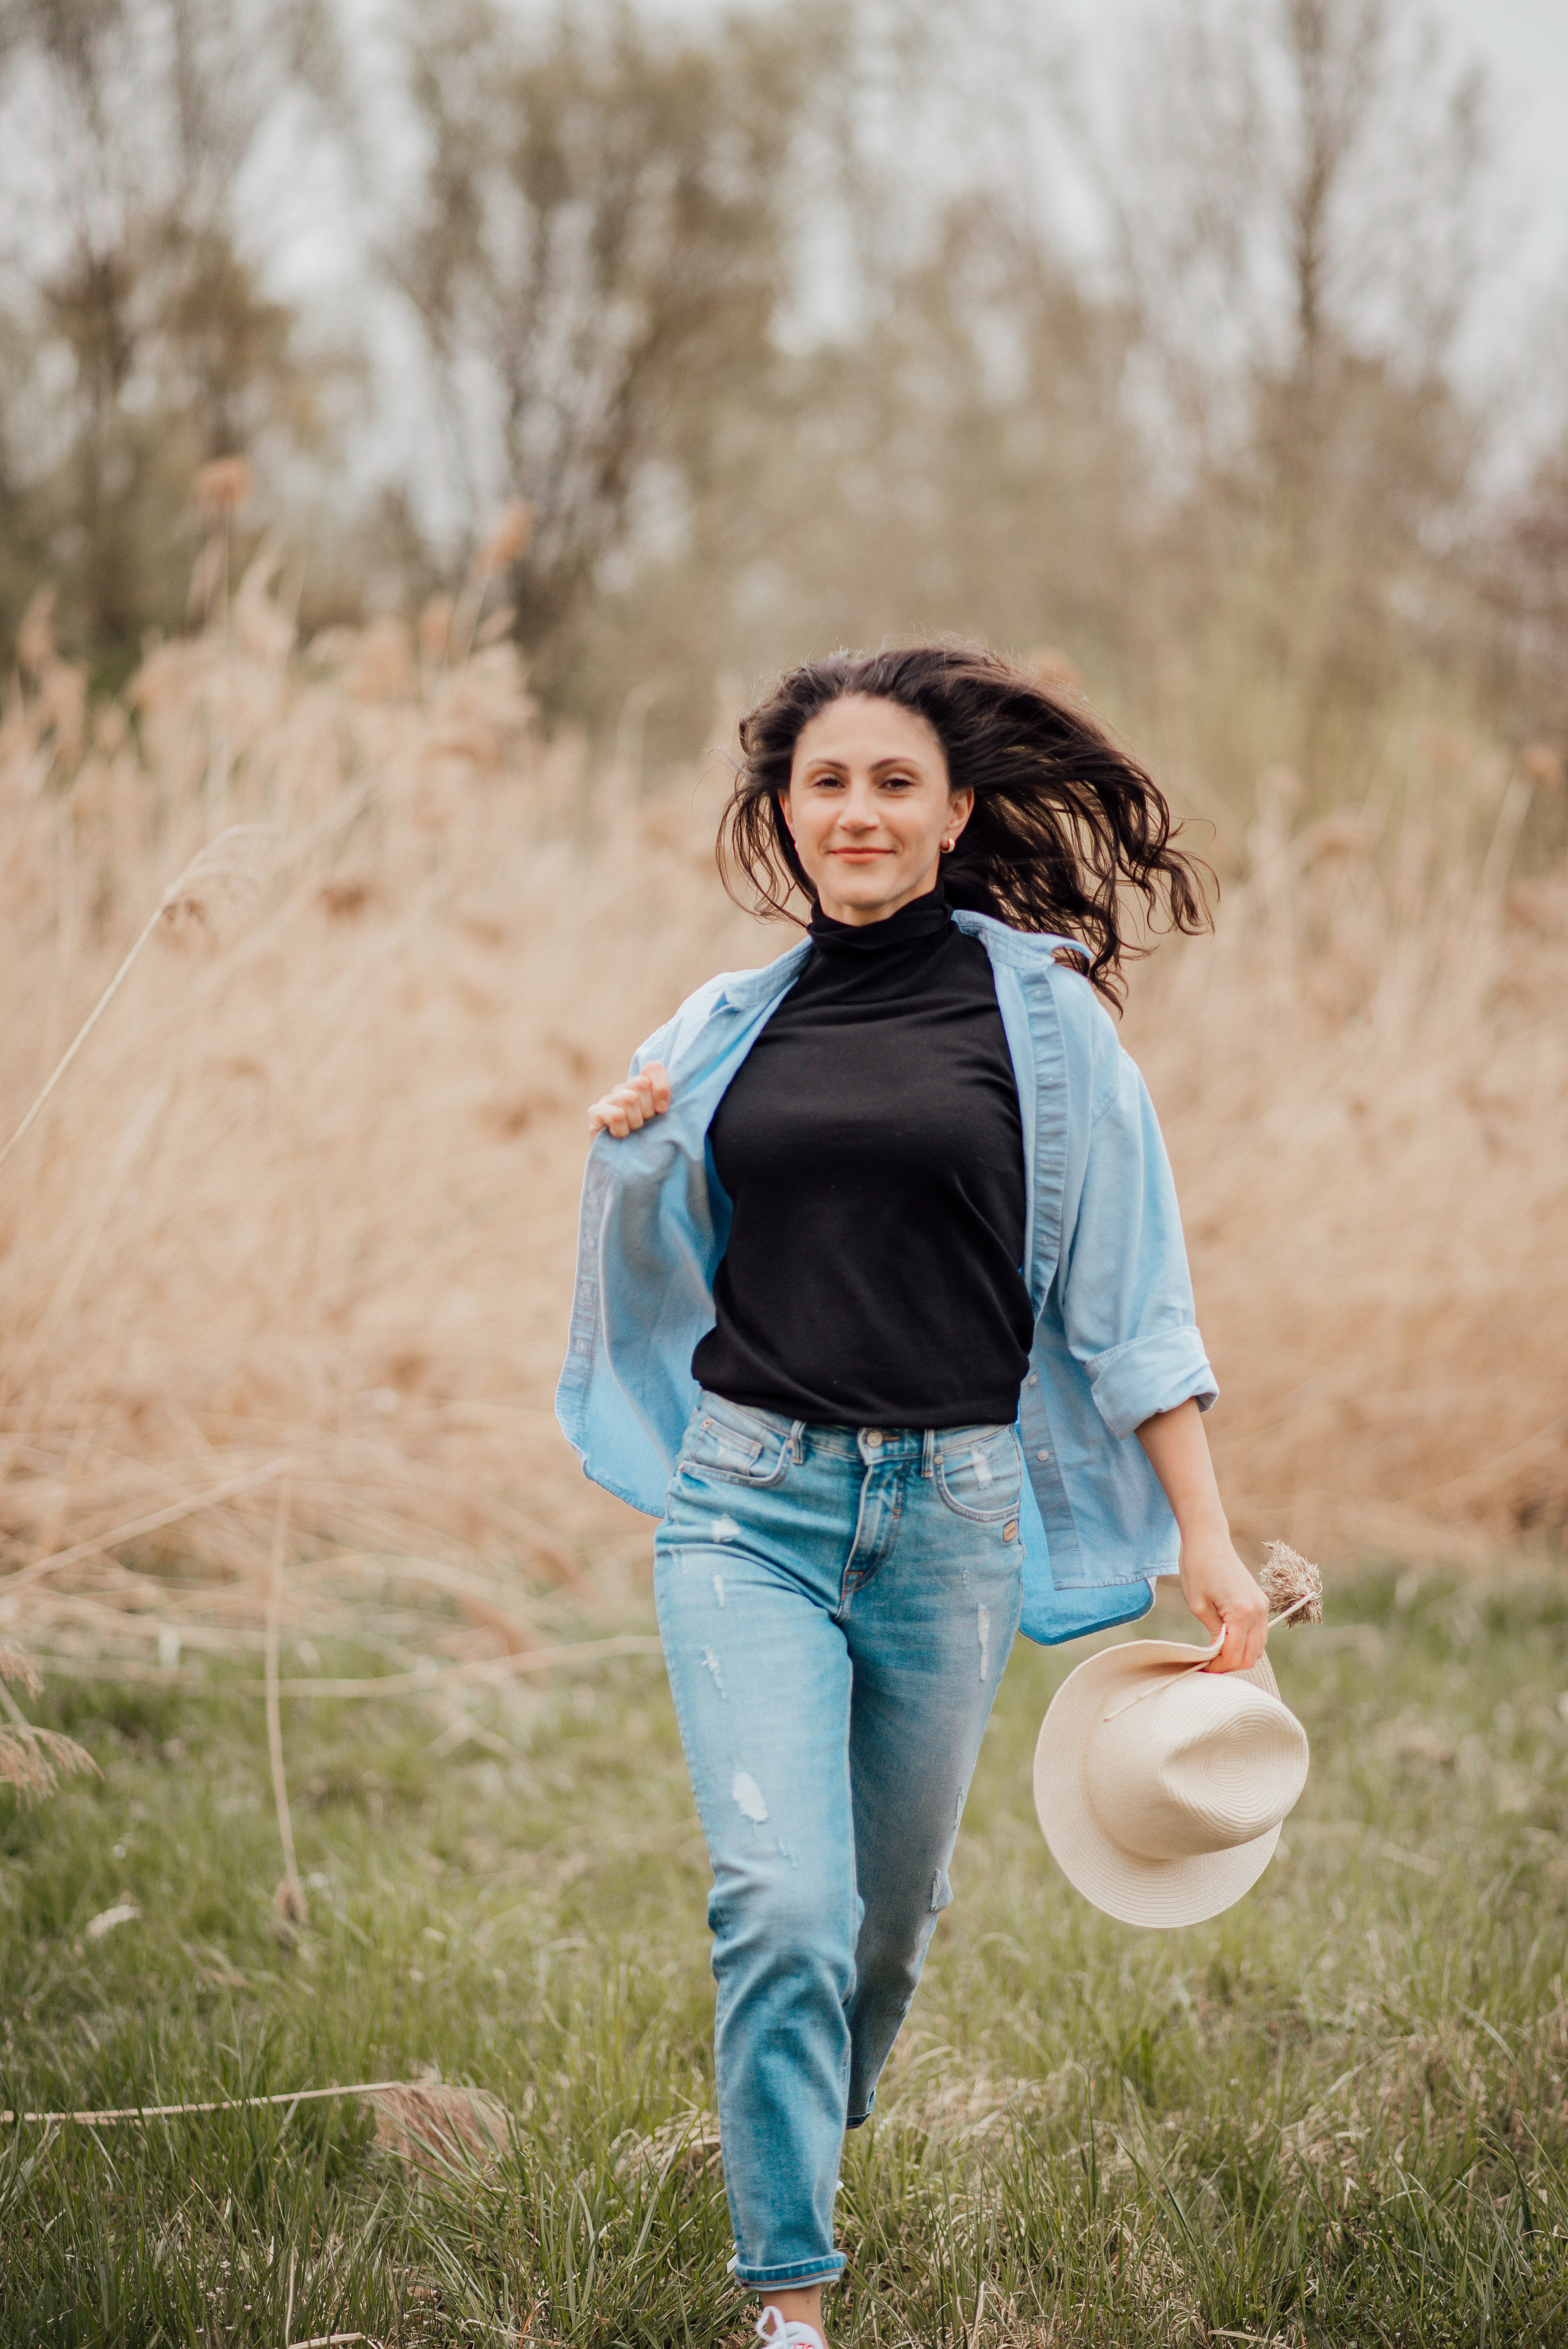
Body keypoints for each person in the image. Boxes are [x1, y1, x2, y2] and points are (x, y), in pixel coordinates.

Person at [557, 643, 1269, 2349]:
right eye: (825, 783)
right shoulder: (719, 1024)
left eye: (892, 782)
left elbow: (1131, 1302)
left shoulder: (1046, 1020)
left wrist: (1212, 1536)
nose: (857, 810)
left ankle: (801, 2094)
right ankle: (788, 2296)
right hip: (748, 1503)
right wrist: (633, 1149)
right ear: (781, 816)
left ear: (954, 813)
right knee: (782, 1904)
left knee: (881, 1929)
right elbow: (650, 1268)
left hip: (952, 1519)